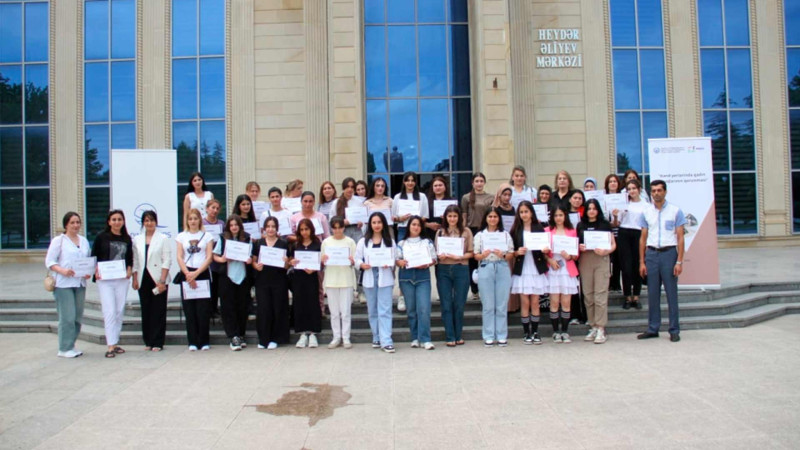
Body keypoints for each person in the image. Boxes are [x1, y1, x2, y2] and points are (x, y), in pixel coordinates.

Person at [637, 180, 686, 343]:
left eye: (659, 190)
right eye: (653, 191)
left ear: (665, 192)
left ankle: (674, 329)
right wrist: (642, 261)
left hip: (669, 254)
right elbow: (642, 239)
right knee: (652, 294)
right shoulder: (646, 212)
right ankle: (653, 328)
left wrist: (679, 261)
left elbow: (680, 238)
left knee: (671, 293)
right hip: (651, 254)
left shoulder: (675, 211)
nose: (656, 193)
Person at [45, 212, 91, 358]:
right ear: (66, 225)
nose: (75, 225)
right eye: (72, 222)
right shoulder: (59, 241)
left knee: (77, 317)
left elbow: (87, 259)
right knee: (67, 316)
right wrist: (63, 270)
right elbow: (50, 261)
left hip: (79, 282)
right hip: (63, 284)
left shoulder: (83, 241)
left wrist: (87, 271)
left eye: (78, 222)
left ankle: (71, 345)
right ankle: (64, 348)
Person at [92, 209, 133, 359]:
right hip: (106, 280)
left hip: (122, 279)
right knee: (109, 311)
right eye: (114, 219)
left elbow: (129, 258)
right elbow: (94, 256)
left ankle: (115, 342)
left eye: (119, 219)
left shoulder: (127, 238)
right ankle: (110, 345)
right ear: (109, 222)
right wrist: (95, 270)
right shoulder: (101, 237)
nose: (117, 222)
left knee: (119, 311)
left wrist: (129, 269)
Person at [510, 201, 550, 344]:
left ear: (531, 212)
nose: (524, 214)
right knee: (524, 302)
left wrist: (545, 249)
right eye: (521, 212)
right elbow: (510, 251)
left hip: (536, 267)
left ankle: (536, 331)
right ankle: (526, 332)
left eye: (526, 211)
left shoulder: (539, 228)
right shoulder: (515, 230)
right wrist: (516, 252)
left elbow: (546, 247)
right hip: (522, 268)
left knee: (535, 301)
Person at [577, 199, 616, 344]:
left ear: (598, 210)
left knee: (600, 294)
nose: (591, 211)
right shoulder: (581, 225)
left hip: (601, 259)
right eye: (589, 208)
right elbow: (576, 243)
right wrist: (579, 247)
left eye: (594, 208)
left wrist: (607, 251)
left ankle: (601, 327)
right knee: (588, 294)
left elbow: (613, 245)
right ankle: (592, 325)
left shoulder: (604, 224)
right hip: (585, 259)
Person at [356, 212, 397, 353]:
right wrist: (362, 265)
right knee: (372, 310)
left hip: (385, 278)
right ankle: (376, 336)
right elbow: (357, 259)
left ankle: (386, 340)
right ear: (370, 224)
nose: (377, 225)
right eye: (374, 222)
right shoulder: (363, 241)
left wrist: (389, 264)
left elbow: (395, 259)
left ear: (383, 224)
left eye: (379, 222)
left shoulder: (390, 241)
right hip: (369, 277)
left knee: (385, 310)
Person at [473, 207, 514, 347]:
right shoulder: (480, 235)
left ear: (499, 219)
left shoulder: (505, 235)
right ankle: (489, 335)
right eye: (490, 216)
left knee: (501, 304)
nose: (492, 219)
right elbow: (475, 255)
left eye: (495, 217)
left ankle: (502, 335)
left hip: (502, 266)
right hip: (486, 266)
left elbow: (510, 254)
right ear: (486, 218)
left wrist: (502, 254)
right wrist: (482, 255)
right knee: (488, 305)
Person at [175, 208, 215, 351]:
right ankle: (192, 341)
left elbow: (209, 257)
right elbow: (179, 256)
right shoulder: (181, 236)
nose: (193, 221)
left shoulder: (207, 235)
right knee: (189, 309)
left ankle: (204, 341)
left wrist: (197, 273)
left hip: (202, 273)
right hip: (187, 273)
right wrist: (187, 273)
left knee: (203, 309)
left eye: (195, 218)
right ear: (187, 220)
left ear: (200, 220)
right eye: (190, 218)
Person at [132, 210, 171, 352]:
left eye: (152, 220)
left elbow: (167, 260)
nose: (149, 223)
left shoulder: (163, 238)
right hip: (143, 278)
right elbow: (135, 260)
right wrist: (134, 278)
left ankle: (158, 342)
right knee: (146, 310)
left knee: (158, 311)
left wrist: (162, 280)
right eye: (146, 220)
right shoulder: (137, 239)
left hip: (158, 278)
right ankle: (148, 340)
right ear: (143, 223)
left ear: (156, 222)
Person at [396, 216, 437, 350]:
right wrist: (400, 262)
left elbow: (434, 259)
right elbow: (397, 259)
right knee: (411, 310)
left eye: (418, 225)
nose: (416, 227)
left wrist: (427, 263)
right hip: (406, 277)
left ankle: (425, 339)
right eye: (413, 224)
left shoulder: (427, 242)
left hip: (422, 277)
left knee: (424, 308)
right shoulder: (402, 243)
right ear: (409, 226)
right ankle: (414, 337)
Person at [435, 204, 474, 347]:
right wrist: (440, 256)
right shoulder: (440, 232)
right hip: (444, 269)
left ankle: (458, 335)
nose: (452, 219)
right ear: (445, 217)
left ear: (459, 217)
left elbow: (471, 253)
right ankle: (449, 335)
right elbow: (436, 253)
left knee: (459, 303)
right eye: (449, 216)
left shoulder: (466, 232)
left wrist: (459, 257)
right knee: (446, 304)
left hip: (461, 268)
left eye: (455, 216)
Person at [213, 214, 253, 351]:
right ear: (228, 227)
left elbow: (251, 256)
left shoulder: (247, 238)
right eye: (231, 225)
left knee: (243, 306)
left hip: (243, 277)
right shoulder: (222, 238)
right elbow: (214, 256)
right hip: (227, 277)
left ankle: (241, 334)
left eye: (236, 225)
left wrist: (250, 260)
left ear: (240, 226)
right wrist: (223, 259)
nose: (234, 227)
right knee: (228, 307)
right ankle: (233, 336)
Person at [251, 216, 291, 349]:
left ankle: (275, 338)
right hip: (262, 280)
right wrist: (256, 266)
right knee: (264, 309)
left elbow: (286, 267)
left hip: (279, 280)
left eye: (273, 226)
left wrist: (286, 262)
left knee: (277, 308)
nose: (270, 229)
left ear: (277, 228)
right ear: (264, 228)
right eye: (268, 226)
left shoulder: (283, 243)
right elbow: (254, 261)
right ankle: (263, 339)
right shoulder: (259, 243)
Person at [544, 205, 580, 343]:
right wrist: (550, 260)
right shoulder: (547, 231)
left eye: (561, 215)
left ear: (565, 216)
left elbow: (576, 255)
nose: (558, 218)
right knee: (554, 302)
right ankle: (555, 332)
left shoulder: (571, 231)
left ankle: (565, 331)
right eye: (556, 215)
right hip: (553, 268)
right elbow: (543, 253)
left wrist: (569, 256)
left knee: (566, 302)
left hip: (567, 269)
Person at [320, 216, 357, 349]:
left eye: (339, 227)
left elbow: (356, 261)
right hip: (331, 279)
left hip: (346, 279)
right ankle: (336, 337)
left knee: (345, 311)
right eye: (334, 228)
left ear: (343, 228)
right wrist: (323, 259)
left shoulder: (350, 242)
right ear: (331, 228)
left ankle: (346, 337)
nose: (337, 230)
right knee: (334, 312)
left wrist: (353, 260)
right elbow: (321, 261)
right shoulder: (326, 242)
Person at [614, 179, 647, 309]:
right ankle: (627, 297)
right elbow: (617, 223)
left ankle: (636, 296)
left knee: (637, 266)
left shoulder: (646, 205)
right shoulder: (624, 204)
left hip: (638, 234)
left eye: (634, 188)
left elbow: (647, 224)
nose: (632, 191)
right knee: (626, 267)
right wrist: (615, 216)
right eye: (629, 189)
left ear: (639, 189)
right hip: (624, 234)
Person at [289, 218, 323, 348]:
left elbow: (321, 261)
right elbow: (291, 260)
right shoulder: (296, 245)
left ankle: (313, 333)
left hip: (312, 277)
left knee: (312, 302)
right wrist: (291, 262)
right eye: (302, 229)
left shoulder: (317, 243)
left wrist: (314, 267)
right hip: (299, 278)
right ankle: (302, 333)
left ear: (311, 230)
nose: (304, 232)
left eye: (306, 229)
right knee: (299, 303)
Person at [461, 172, 493, 301]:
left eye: (481, 181)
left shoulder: (491, 197)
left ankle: (486, 288)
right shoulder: (466, 197)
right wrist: (463, 232)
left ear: (484, 182)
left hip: (485, 230)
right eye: (477, 181)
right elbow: (464, 215)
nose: (479, 183)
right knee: (473, 261)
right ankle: (474, 290)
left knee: (486, 259)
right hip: (471, 230)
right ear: (473, 183)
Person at [493, 183, 519, 314]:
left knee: (510, 276)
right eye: (505, 194)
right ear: (499, 195)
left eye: (509, 195)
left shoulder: (514, 209)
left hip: (510, 244)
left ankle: (511, 306)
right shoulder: (494, 209)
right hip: (498, 246)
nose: (507, 197)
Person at [567, 189, 587, 325]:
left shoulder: (586, 215)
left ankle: (586, 315)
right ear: (570, 199)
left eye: (580, 198)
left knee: (584, 287)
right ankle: (574, 314)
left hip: (584, 252)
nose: (577, 200)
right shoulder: (565, 214)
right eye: (575, 198)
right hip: (570, 253)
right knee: (573, 286)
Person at [392, 171, 429, 242]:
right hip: (403, 228)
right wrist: (400, 219)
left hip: (417, 228)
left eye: (412, 180)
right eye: (408, 180)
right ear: (404, 182)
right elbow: (393, 217)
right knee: (402, 250)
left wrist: (415, 221)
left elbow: (425, 216)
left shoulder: (422, 196)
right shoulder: (397, 197)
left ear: (415, 182)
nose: (410, 183)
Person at [203, 198, 224, 317]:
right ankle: (208, 309)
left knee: (216, 284)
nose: (215, 210)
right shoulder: (202, 223)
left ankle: (215, 308)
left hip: (218, 258)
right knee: (208, 284)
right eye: (212, 208)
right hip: (205, 258)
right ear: (207, 208)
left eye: (217, 208)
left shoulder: (221, 223)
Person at [604, 174, 624, 292]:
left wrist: (616, 219)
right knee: (607, 260)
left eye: (615, 181)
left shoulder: (623, 198)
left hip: (620, 234)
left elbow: (622, 220)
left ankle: (616, 283)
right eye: (610, 181)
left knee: (617, 260)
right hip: (607, 233)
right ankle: (608, 283)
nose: (612, 183)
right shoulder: (603, 199)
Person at [425, 175, 453, 239]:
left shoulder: (452, 202)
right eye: (435, 186)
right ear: (432, 188)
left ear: (445, 187)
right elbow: (420, 219)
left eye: (440, 185)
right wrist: (429, 225)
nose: (438, 187)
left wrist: (447, 218)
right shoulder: (426, 202)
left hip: (448, 233)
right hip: (429, 233)